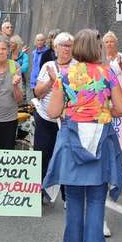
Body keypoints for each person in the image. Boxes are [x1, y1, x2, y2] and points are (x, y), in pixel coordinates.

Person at [44, 29, 122, 242]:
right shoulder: (108, 73)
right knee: (95, 203)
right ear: (97, 48)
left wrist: (74, 109)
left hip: (73, 140)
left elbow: (51, 112)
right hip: (100, 140)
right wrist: (102, 110)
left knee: (73, 203)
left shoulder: (65, 74)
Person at [33, 32, 74, 195]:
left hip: (68, 120)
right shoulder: (48, 66)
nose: (67, 49)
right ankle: (39, 191)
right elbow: (38, 92)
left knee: (67, 157)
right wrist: (51, 80)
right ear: (55, 48)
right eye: (63, 45)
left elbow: (78, 96)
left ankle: (67, 194)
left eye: (70, 46)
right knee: (43, 155)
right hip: (45, 117)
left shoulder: (78, 67)